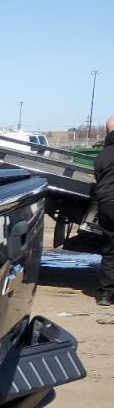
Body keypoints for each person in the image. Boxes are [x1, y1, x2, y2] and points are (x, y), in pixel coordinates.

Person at [96, 114, 114, 306]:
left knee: (110, 248)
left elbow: (99, 180)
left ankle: (107, 295)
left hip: (107, 204)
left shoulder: (102, 156)